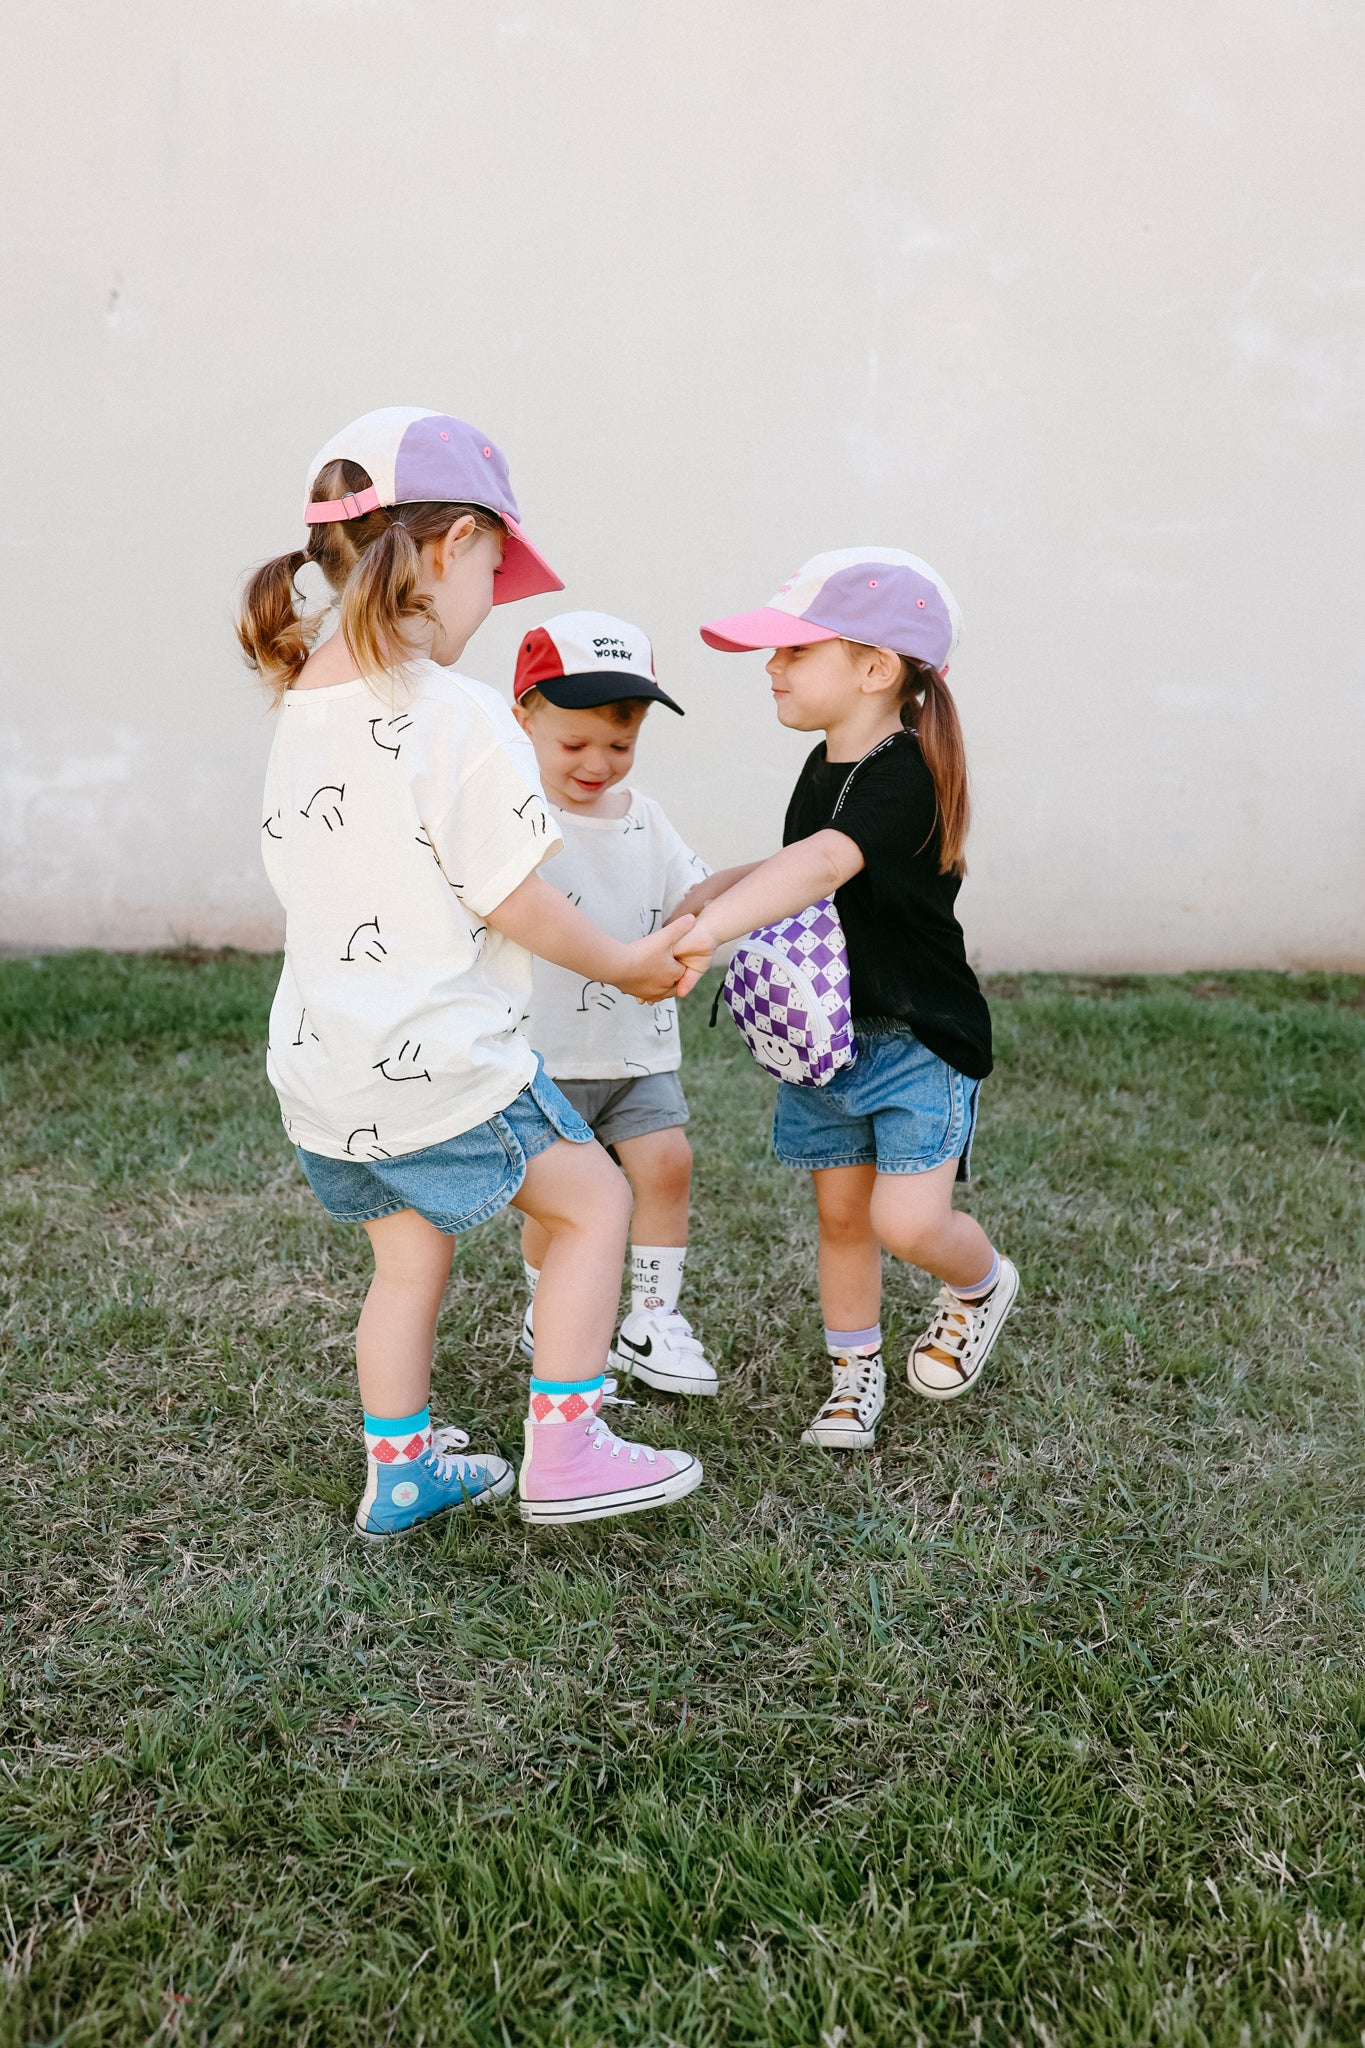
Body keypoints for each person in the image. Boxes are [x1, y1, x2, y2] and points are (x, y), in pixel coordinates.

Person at [236, 407, 703, 1534]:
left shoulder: (304, 700)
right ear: (447, 548)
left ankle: (399, 1471)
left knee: (407, 1255)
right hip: (437, 1056)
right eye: (496, 567)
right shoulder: (461, 714)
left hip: (320, 1068)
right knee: (594, 1199)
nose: (497, 596)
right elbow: (515, 897)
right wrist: (632, 962)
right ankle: (568, 1447)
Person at [671, 548, 1018, 1449]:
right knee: (839, 1216)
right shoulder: (826, 764)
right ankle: (852, 1377)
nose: (770, 666)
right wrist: (722, 886)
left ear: (874, 668)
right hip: (827, 1039)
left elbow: (826, 861)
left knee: (906, 1222)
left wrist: (710, 936)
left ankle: (979, 1284)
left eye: (794, 650)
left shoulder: (904, 770)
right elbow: (810, 863)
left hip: (915, 1039)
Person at [510, 611, 717, 1397]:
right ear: (523, 715)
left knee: (666, 1165)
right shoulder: (510, 814)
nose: (598, 764)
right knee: (558, 1196)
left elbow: (688, 893)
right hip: (542, 1050)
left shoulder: (644, 816)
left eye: (620, 745)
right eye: (573, 744)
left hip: (637, 1044)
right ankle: (549, 1310)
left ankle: (652, 1319)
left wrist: (707, 925)